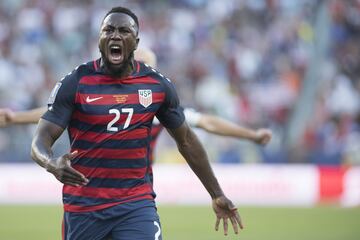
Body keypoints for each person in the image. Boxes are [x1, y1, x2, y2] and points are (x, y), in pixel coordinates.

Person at [30, 7, 242, 240]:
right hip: (84, 207)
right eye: (108, 30)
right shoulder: (76, 82)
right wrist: (50, 163)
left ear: (136, 41)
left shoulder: (157, 85)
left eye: (124, 31)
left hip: (135, 204)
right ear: (99, 38)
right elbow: (41, 139)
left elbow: (187, 141)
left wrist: (216, 193)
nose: (116, 36)